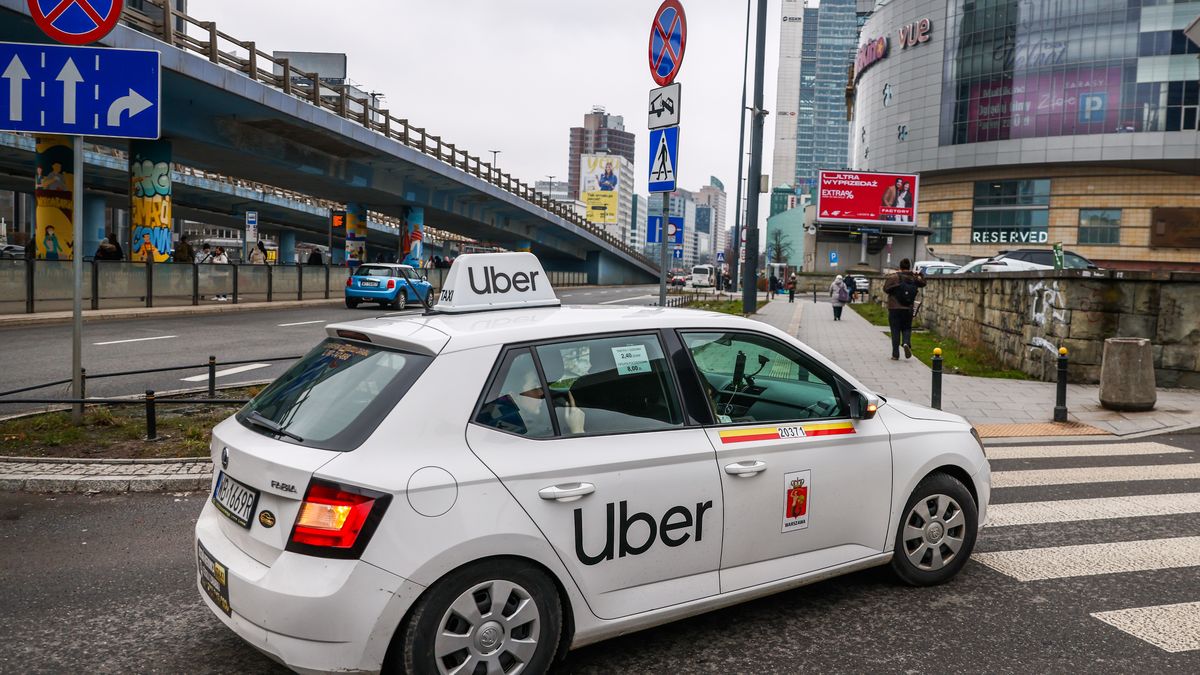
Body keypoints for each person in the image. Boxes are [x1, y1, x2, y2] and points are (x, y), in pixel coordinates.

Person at [883, 258, 927, 360]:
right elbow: (923, 283)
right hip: (908, 308)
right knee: (907, 328)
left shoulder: (894, 277)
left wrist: (895, 288)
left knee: (895, 330)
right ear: (909, 267)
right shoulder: (913, 278)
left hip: (894, 308)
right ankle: (906, 343)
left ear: (900, 266)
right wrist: (920, 275)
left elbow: (885, 289)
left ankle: (895, 354)